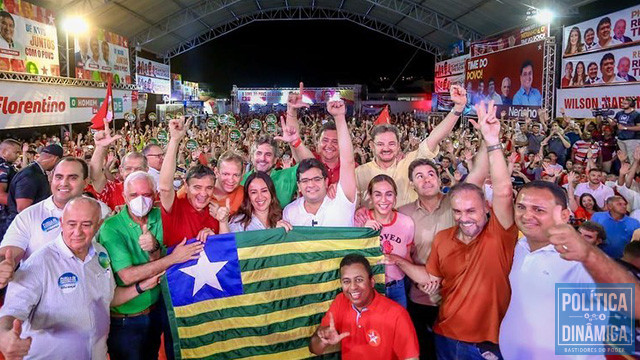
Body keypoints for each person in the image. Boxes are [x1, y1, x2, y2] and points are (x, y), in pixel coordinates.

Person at [385, 101, 517, 360]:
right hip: (421, 296)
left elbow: (483, 173)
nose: (426, 179)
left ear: (439, 177)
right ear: (412, 184)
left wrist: (488, 138)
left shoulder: (458, 200)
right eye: (419, 176)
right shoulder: (403, 213)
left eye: (430, 173)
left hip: (461, 299)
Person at [0, 197, 163, 360]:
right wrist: (5, 337)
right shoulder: (39, 264)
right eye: (71, 224)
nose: (77, 232)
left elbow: (108, 298)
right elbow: (11, 312)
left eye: (86, 225)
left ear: (98, 225)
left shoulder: (100, 254)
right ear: (61, 222)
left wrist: (142, 286)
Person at [99, 171, 203, 360]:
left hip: (156, 311)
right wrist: (173, 259)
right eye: (134, 195)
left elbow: (184, 242)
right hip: (125, 321)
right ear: (124, 197)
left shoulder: (163, 217)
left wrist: (209, 228)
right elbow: (127, 276)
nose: (140, 200)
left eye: (146, 195)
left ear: (155, 195)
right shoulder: (111, 227)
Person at [499, 181, 600, 359]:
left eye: (539, 210)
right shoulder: (517, 247)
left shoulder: (583, 262)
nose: (526, 215)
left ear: (564, 215)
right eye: (521, 207)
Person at [0, 158, 107, 288]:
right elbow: (9, 253)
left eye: (72, 178)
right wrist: (5, 265)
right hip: (40, 298)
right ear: (51, 179)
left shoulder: (102, 211)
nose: (64, 183)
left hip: (88, 295)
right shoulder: (29, 216)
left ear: (85, 182)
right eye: (59, 177)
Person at [356, 85, 467, 209]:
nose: (386, 148)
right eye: (381, 144)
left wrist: (458, 108)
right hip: (373, 228)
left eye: (391, 144)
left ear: (398, 145)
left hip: (409, 227)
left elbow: (434, 138)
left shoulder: (410, 162)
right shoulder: (360, 173)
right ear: (371, 145)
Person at [308, 254, 419, 360]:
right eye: (346, 281)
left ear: (371, 282)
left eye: (359, 280)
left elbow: (411, 357)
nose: (353, 287)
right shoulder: (340, 301)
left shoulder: (397, 314)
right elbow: (315, 349)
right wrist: (323, 341)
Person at [283, 100, 357, 227]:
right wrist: (291, 111)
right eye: (305, 180)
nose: (311, 184)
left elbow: (348, 162)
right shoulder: (290, 213)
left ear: (326, 181)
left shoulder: (343, 194)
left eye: (317, 179)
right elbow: (295, 144)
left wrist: (339, 117)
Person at [241, 84, 315, 207]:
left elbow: (311, 165)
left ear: (276, 159)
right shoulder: (242, 181)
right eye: (258, 153)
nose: (262, 159)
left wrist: (295, 140)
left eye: (268, 154)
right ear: (252, 156)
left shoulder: (286, 177)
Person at [159, 117, 226, 247]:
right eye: (197, 187)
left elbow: (225, 253)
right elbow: (165, 188)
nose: (203, 193)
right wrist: (175, 140)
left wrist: (216, 235)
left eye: (209, 188)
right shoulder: (175, 208)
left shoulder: (216, 211)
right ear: (186, 186)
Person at [357, 175, 414, 308]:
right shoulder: (359, 221)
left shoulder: (407, 223)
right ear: (370, 197)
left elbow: (408, 257)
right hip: (369, 288)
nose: (384, 200)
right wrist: (363, 233)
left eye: (389, 194)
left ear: (395, 198)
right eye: (377, 194)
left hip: (397, 288)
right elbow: (352, 258)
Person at [90, 125, 148, 210]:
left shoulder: (155, 192)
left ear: (146, 170)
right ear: (121, 170)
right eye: (128, 168)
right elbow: (95, 176)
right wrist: (100, 147)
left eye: (138, 169)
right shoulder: (112, 190)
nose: (133, 173)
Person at [5, 144, 62, 225]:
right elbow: (22, 209)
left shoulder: (36, 172)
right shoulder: (30, 175)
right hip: (22, 228)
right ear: (55, 159)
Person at [0, 140, 21, 240]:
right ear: (4, 152)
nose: (18, 155)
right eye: (16, 152)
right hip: (4, 216)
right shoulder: (3, 168)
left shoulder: (7, 166)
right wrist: (19, 204)